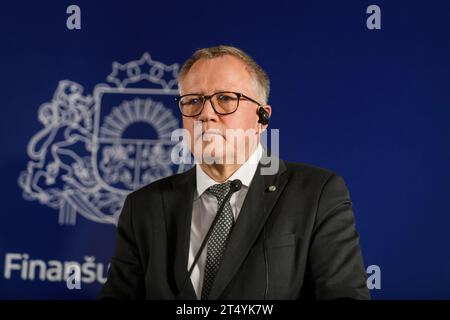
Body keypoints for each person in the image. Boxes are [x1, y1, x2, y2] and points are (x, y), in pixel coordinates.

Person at [100, 45, 370, 300]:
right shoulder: (143, 207)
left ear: (262, 118)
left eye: (225, 98)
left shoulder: (317, 194)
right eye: (193, 101)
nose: (205, 114)